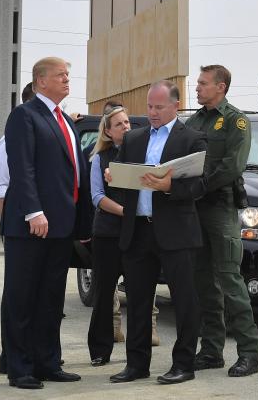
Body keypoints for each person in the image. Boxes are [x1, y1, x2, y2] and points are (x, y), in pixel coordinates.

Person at [109, 81, 207, 385]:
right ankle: (136, 364)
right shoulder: (133, 138)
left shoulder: (192, 139)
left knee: (184, 300)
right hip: (138, 230)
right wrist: (114, 177)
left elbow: (201, 185)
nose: (151, 112)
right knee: (137, 301)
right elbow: (126, 178)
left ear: (175, 105)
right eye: (149, 106)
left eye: (158, 107)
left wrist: (170, 187)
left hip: (176, 233)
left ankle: (183, 364)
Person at [1, 57, 83, 390]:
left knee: (51, 298)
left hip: (61, 226)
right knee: (22, 298)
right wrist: (33, 211)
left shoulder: (65, 120)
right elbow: (23, 168)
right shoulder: (25, 115)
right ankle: (20, 367)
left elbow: (71, 174)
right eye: (60, 76)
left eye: (68, 75)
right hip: (31, 224)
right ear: (40, 81)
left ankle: (48, 362)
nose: (67, 80)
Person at [185, 64, 258, 377]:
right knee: (204, 283)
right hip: (196, 210)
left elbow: (234, 165)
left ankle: (249, 353)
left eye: (203, 84)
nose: (198, 88)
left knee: (230, 281)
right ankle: (211, 350)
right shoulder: (194, 120)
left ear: (221, 86)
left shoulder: (235, 121)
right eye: (198, 83)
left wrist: (202, 185)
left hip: (221, 208)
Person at [87, 106, 161, 366]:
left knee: (140, 294)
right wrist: (126, 212)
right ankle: (100, 349)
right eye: (119, 124)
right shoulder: (100, 158)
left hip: (136, 234)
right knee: (104, 294)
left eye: (128, 122)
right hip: (108, 234)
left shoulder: (142, 155)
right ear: (108, 131)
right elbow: (97, 197)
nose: (126, 127)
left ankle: (137, 352)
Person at [0, 80, 38, 376]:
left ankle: (33, 355)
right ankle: (10, 356)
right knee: (17, 297)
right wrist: (10, 230)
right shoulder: (11, 139)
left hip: (43, 229)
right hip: (21, 229)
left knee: (36, 298)